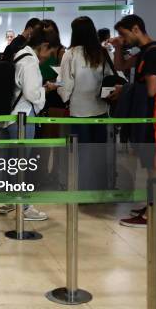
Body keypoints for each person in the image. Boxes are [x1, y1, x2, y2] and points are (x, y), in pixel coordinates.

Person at [0, 24, 62, 220]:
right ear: (43, 45)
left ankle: (8, 200)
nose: (48, 56)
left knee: (10, 163)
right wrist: (45, 90)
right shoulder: (30, 63)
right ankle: (24, 207)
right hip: (23, 118)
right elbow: (32, 94)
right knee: (22, 164)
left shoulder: (18, 55)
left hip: (8, 117)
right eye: (49, 51)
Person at [110, 15, 156, 227]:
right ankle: (151, 206)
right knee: (150, 164)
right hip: (146, 117)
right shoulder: (144, 54)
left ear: (136, 28)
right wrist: (118, 48)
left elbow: (151, 89)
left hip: (154, 119)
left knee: (154, 166)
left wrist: (125, 90)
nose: (123, 38)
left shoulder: (155, 54)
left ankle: (152, 213)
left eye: (124, 34)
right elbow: (121, 67)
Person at [54, 17, 113, 190]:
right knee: (99, 152)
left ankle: (82, 189)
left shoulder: (70, 54)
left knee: (80, 154)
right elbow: (110, 78)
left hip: (79, 111)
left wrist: (58, 90)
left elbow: (66, 84)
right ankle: (99, 189)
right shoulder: (102, 52)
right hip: (100, 109)